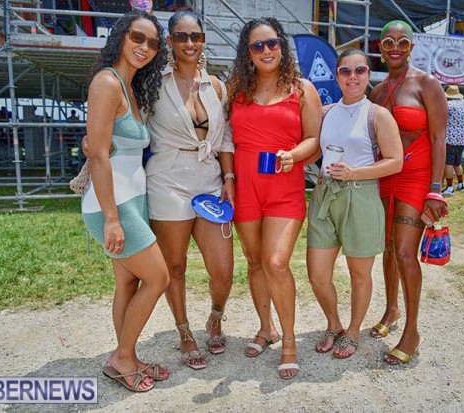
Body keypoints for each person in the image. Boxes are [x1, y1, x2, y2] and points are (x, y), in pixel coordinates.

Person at [226, 17, 321, 379]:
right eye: (257, 46)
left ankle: (290, 342)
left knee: (276, 262)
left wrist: (293, 155)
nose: (266, 51)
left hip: (284, 186)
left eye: (272, 43)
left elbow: (314, 139)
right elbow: (224, 139)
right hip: (246, 188)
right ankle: (266, 329)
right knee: (254, 262)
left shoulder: (302, 89)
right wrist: (229, 177)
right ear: (247, 52)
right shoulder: (237, 89)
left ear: (282, 45)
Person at [81, 11, 170, 392]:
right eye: (137, 37)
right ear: (120, 37)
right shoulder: (106, 83)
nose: (144, 47)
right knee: (159, 277)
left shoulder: (130, 87)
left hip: (133, 201)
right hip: (112, 206)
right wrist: (112, 219)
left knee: (129, 283)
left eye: (153, 43)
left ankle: (126, 357)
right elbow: (99, 156)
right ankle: (122, 357)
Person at [145, 10, 234, 370]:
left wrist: (229, 178)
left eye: (195, 36)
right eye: (181, 36)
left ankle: (215, 316)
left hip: (210, 178)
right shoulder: (154, 83)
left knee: (223, 271)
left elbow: (225, 137)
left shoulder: (217, 86)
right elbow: (130, 120)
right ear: (169, 41)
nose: (189, 43)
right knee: (175, 265)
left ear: (203, 40)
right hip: (167, 178)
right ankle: (184, 331)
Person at [307, 49, 403, 359]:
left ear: (368, 75)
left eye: (359, 70)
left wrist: (354, 173)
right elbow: (312, 149)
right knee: (317, 273)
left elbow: (395, 161)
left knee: (359, 274)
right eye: (345, 71)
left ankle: (353, 330)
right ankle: (333, 323)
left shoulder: (377, 114)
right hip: (325, 195)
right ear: (336, 76)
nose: (352, 76)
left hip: (361, 195)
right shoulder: (325, 112)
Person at [369, 20, 448, 365]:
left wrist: (436, 189)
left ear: (412, 47)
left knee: (404, 252)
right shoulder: (376, 91)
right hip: (386, 175)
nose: (395, 48)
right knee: (387, 247)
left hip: (416, 176)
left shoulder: (427, 84)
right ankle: (391, 310)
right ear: (380, 48)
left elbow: (439, 138)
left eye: (403, 42)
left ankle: (412, 331)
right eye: (389, 42)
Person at [442, 85, 464, 196]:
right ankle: (461, 184)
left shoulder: (448, 105)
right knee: (457, 162)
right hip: (462, 138)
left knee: (448, 163)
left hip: (450, 138)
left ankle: (450, 187)